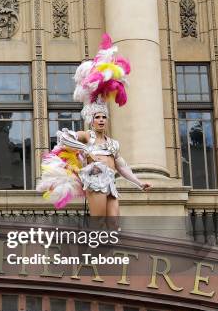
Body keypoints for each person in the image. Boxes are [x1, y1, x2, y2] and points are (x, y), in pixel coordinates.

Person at [37, 34, 151, 217]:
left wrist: (138, 182)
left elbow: (122, 167)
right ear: (92, 119)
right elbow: (63, 137)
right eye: (97, 117)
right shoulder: (87, 136)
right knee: (99, 224)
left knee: (113, 227)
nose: (101, 120)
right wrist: (86, 151)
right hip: (95, 180)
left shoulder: (112, 144)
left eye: (103, 117)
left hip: (110, 182)